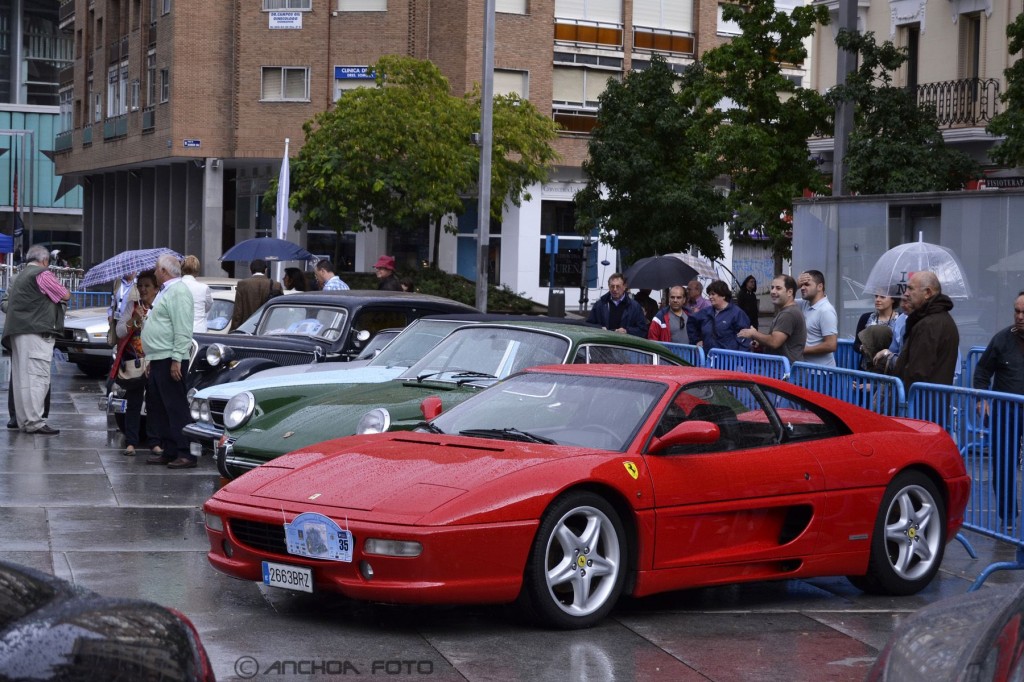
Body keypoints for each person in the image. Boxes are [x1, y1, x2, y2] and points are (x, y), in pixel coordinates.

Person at [0, 244, 70, 434]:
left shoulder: (20, 275)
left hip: (18, 332)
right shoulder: (42, 274)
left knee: (22, 378)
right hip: (35, 332)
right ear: (45, 260)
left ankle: (25, 421)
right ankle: (35, 422)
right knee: (37, 378)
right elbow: (65, 294)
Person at [972, 292, 1024, 525]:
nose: (1019, 316)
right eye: (1016, 311)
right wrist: (982, 399)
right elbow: (983, 371)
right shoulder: (1002, 339)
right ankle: (1008, 517)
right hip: (1006, 411)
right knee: (1004, 463)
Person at [142, 254, 196, 469]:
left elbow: (183, 327)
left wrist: (177, 358)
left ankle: (186, 452)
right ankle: (170, 448)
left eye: (156, 269)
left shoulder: (179, 291)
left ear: (164, 271)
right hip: (158, 357)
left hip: (169, 358)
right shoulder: (167, 291)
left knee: (175, 407)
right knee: (160, 407)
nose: (154, 272)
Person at [875, 271, 959, 389]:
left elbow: (917, 371)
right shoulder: (936, 319)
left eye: (911, 289)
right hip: (930, 400)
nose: (906, 293)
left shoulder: (929, 324)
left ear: (927, 293)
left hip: (922, 401)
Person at [115, 270, 158, 456]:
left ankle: (154, 442)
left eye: (147, 286)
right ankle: (131, 442)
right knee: (133, 402)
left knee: (154, 402)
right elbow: (119, 331)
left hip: (154, 360)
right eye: (140, 285)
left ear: (156, 288)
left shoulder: (160, 306)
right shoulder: (132, 306)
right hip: (134, 362)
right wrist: (134, 320)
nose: (142, 289)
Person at [737, 274, 806, 364]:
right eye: (772, 287)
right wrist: (760, 342)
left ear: (789, 292)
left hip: (786, 373)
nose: (773, 291)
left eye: (778, 288)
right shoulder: (786, 311)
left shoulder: (788, 313)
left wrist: (754, 334)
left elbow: (774, 342)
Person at [687, 280, 751, 351]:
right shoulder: (705, 312)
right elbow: (691, 322)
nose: (710, 297)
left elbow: (745, 339)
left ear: (723, 295)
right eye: (709, 294)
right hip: (708, 357)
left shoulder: (737, 313)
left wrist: (738, 358)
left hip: (728, 358)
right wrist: (696, 340)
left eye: (713, 294)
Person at [797, 270, 838, 367]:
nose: (802, 288)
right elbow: (783, 300)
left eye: (807, 284)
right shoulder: (804, 303)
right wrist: (795, 285)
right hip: (806, 371)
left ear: (820, 286)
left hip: (821, 374)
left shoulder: (826, 310)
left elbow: (831, 345)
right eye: (801, 285)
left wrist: (801, 350)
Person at [586, 273, 647, 337]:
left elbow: (642, 330)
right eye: (612, 286)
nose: (615, 289)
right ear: (609, 287)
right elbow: (589, 325)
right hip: (604, 343)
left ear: (624, 287)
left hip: (624, 344)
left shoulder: (634, 307)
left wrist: (627, 331)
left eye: (618, 286)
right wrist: (600, 329)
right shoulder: (600, 304)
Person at [230, 259, 282, 330]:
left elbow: (238, 313)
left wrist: (234, 330)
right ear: (266, 270)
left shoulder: (242, 284)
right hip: (268, 328)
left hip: (247, 328)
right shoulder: (276, 285)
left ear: (250, 270)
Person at [854, 295, 902, 370]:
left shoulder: (901, 318)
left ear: (893, 299)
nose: (877, 300)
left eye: (882, 297)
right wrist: (863, 348)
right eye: (876, 296)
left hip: (889, 368)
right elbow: (856, 344)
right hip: (866, 368)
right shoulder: (866, 317)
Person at [180, 255, 213, 333]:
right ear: (197, 270)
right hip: (199, 328)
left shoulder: (175, 285)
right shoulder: (204, 288)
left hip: (180, 329)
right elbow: (208, 305)